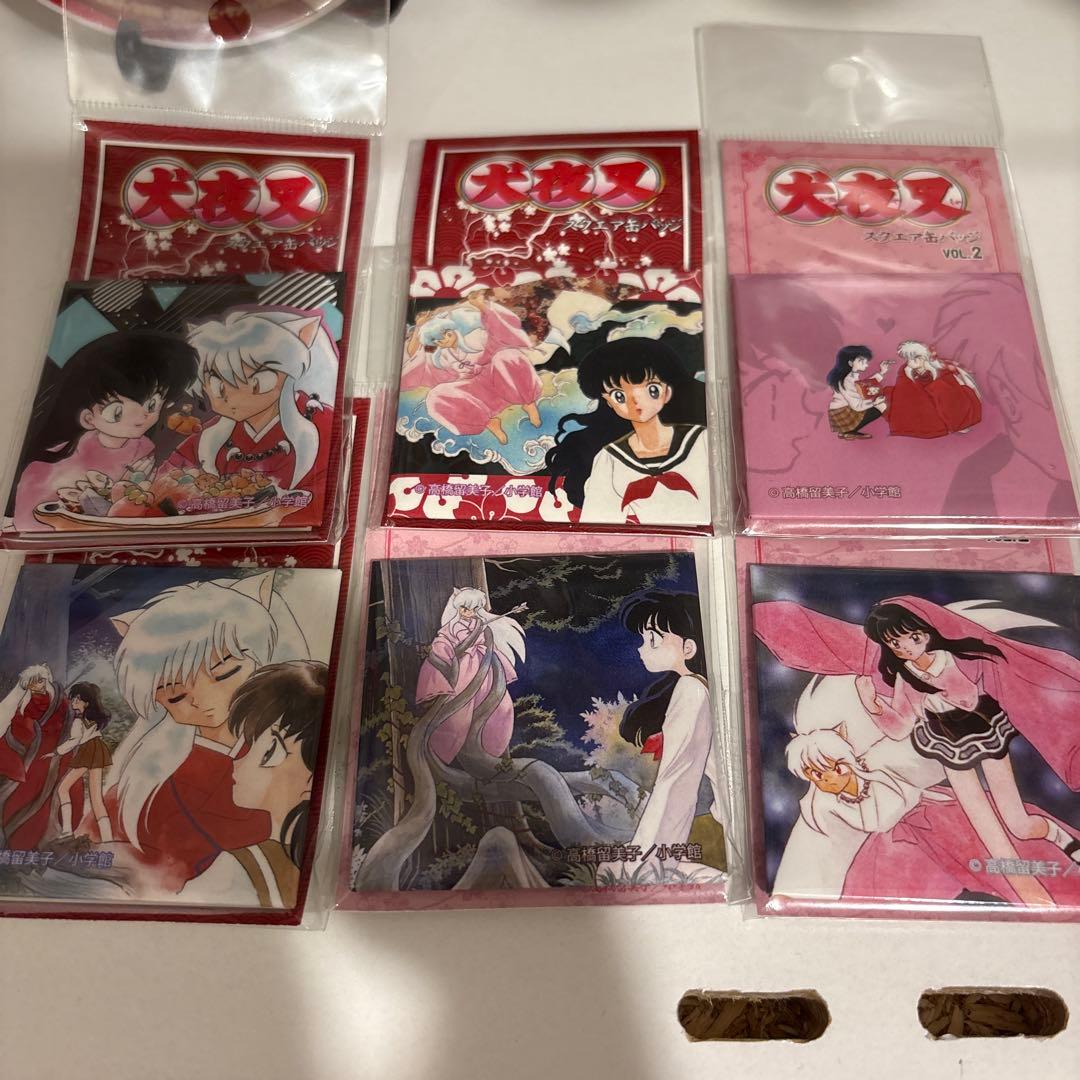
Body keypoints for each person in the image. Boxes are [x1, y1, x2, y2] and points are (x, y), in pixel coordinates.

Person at [754, 594, 1080, 908]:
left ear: (926, 632)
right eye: (894, 644)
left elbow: (976, 694)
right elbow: (899, 726)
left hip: (985, 732)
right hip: (947, 746)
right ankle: (1034, 899)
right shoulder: (906, 676)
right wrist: (872, 704)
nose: (904, 648)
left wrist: (946, 686)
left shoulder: (960, 658)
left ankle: (1061, 839)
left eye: (910, 638)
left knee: (1018, 824)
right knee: (990, 834)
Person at [107, 571, 310, 890]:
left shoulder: (289, 741)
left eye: (226, 672)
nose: (204, 701)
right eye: (176, 695)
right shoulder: (150, 775)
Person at [176, 661, 326, 909]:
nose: (238, 762)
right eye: (248, 743)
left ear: (315, 778)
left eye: (268, 751)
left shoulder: (239, 868)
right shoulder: (313, 860)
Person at [12, 330, 197, 530]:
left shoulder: (146, 450)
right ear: (88, 418)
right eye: (117, 412)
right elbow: (27, 523)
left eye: (151, 405)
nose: (140, 416)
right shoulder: (49, 466)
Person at [168, 308, 338, 504]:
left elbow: (329, 498)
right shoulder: (210, 436)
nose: (232, 397)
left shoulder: (325, 425)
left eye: (256, 382)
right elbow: (167, 484)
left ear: (284, 375)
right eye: (218, 386)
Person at [545, 338, 709, 526]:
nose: (635, 402)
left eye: (651, 389)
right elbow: (600, 525)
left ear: (667, 391)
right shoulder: (610, 459)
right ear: (609, 402)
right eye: (619, 395)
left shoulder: (701, 440)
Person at [619, 591, 725, 869]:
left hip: (729, 830)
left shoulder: (691, 690)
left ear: (688, 648)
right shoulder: (700, 687)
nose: (641, 649)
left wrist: (647, 858)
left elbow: (676, 782)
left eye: (652, 640)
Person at [400, 290, 543, 445]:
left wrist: (481, 306)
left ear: (452, 330)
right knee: (435, 396)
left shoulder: (476, 337)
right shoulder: (441, 357)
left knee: (506, 356)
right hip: (477, 394)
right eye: (438, 340)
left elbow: (499, 334)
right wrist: (418, 328)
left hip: (499, 379)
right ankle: (488, 422)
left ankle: (528, 402)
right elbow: (413, 359)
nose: (444, 340)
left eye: (446, 334)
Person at [415, 587, 526, 766]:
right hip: (466, 670)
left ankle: (493, 749)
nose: (468, 613)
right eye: (464, 608)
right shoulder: (454, 625)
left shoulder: (479, 623)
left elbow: (488, 642)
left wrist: (486, 634)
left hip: (486, 668)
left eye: (473, 609)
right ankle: (445, 752)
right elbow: (460, 648)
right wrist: (477, 631)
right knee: (461, 710)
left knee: (500, 706)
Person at [0, 665, 69, 849]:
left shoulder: (59, 698)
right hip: (33, 754)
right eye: (34, 682)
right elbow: (21, 728)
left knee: (47, 795)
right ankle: (14, 837)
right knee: (22, 794)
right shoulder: (26, 702)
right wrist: (31, 731)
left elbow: (67, 720)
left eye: (41, 680)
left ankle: (38, 839)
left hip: (53, 752)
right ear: (28, 685)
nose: (39, 685)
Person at [52, 681, 114, 843]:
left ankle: (67, 831)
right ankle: (108, 840)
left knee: (63, 788)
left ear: (86, 702)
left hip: (88, 751)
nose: (73, 702)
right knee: (96, 799)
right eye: (73, 699)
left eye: (77, 699)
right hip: (98, 750)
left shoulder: (79, 721)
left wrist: (56, 752)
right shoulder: (95, 720)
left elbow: (74, 740)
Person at [885, 339, 981, 438]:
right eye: (907, 359)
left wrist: (934, 377)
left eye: (911, 359)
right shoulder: (906, 370)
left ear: (921, 358)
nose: (908, 362)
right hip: (923, 404)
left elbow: (949, 392)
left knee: (947, 397)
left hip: (940, 402)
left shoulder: (938, 369)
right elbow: (905, 392)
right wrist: (909, 376)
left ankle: (957, 423)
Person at [825, 344, 892, 440]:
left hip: (843, 409)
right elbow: (857, 406)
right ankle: (848, 431)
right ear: (850, 363)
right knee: (882, 405)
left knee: (880, 402)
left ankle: (846, 431)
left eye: (866, 361)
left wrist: (882, 372)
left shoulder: (851, 375)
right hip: (843, 412)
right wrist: (874, 402)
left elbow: (864, 385)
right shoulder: (847, 380)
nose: (866, 364)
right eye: (862, 361)